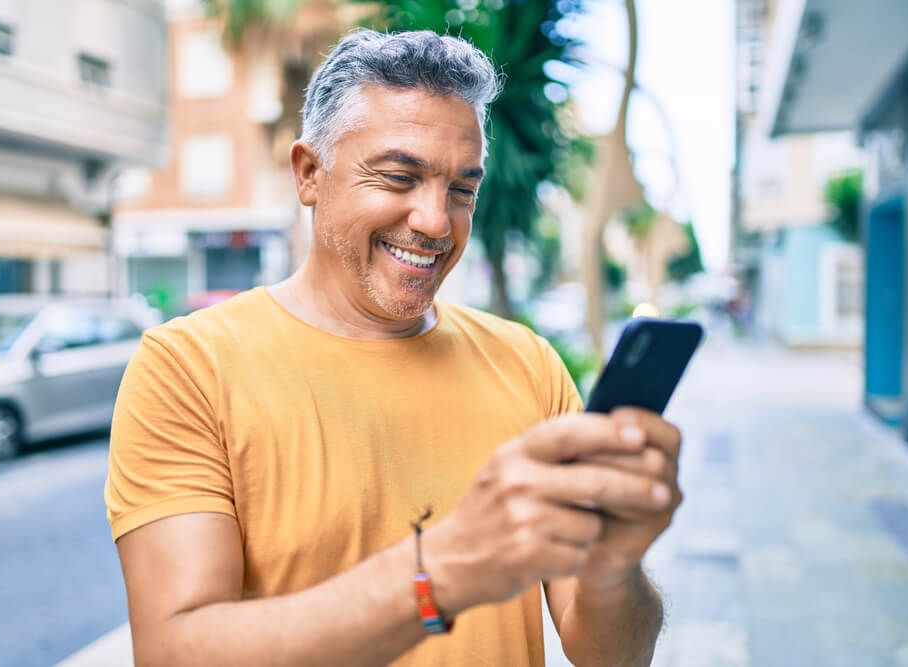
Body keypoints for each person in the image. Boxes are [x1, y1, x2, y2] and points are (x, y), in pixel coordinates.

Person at [105, 29, 683, 667]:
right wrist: (441, 571)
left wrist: (614, 564)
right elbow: (173, 653)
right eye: (398, 177)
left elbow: (612, 656)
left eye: (462, 190)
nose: (436, 221)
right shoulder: (188, 368)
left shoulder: (528, 364)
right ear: (308, 174)